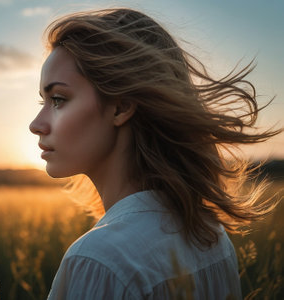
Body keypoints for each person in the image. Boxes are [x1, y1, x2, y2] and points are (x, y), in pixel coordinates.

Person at [29, 8, 280, 299]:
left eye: (58, 99)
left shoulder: (98, 261)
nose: (36, 124)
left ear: (121, 107)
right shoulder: (212, 238)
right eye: (43, 101)